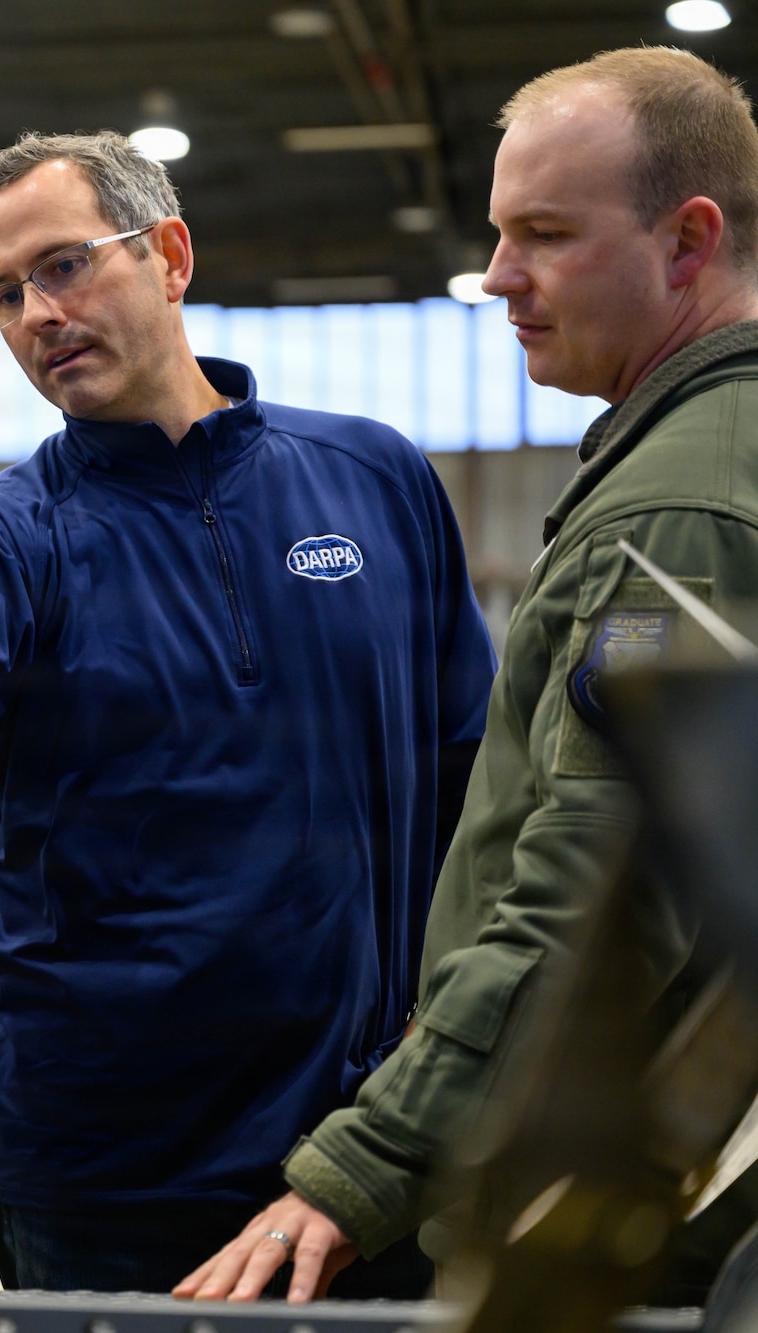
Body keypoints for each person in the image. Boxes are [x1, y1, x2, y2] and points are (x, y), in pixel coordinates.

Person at [0, 131, 498, 1296]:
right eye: (4, 295)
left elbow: (469, 783)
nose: (35, 313)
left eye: (64, 266)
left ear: (169, 255)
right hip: (111, 1176)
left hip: (365, 1146)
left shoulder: (373, 478)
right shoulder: (8, 533)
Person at [179, 46, 758, 1305]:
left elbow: (593, 890)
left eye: (543, 234)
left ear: (686, 241)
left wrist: (364, 1163)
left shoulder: (672, 515)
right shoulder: (699, 461)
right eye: (500, 234)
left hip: (621, 1199)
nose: (497, 277)